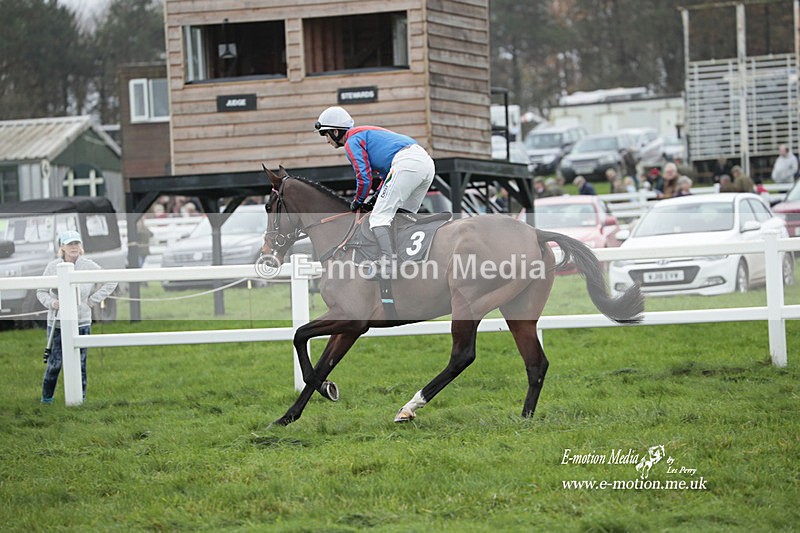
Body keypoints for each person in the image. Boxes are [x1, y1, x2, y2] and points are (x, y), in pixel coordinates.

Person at [314, 106, 435, 275]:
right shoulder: (363, 134)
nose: (326, 140)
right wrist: (374, 199)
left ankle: (388, 263)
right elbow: (386, 177)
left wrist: (358, 201)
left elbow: (364, 178)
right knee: (403, 216)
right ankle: (410, 259)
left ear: (335, 131)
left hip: (407, 164)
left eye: (325, 134)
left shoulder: (351, 141)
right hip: (426, 163)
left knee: (379, 217)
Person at [37, 231, 117, 404]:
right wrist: (52, 303)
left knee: (81, 364)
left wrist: (91, 301)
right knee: (55, 364)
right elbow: (41, 290)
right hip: (57, 323)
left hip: (82, 322)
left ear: (81, 246)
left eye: (76, 243)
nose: (73, 247)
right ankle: (46, 399)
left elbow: (111, 280)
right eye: (69, 244)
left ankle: (79, 400)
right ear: (62, 247)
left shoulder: (88, 265)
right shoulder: (53, 266)